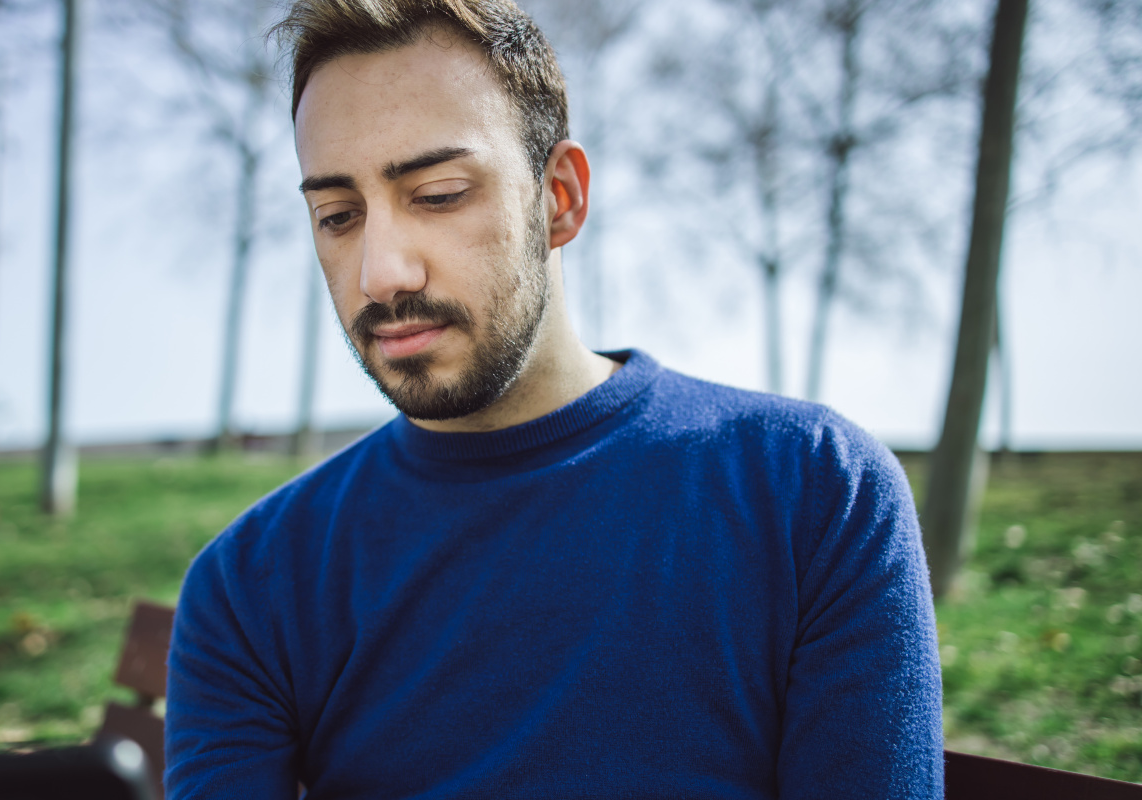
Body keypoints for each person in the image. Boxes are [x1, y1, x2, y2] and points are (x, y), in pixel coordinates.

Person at [164, 0, 943, 797]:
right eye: (337, 216)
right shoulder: (251, 587)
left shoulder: (811, 491)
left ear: (559, 198)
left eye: (435, 195)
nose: (381, 273)